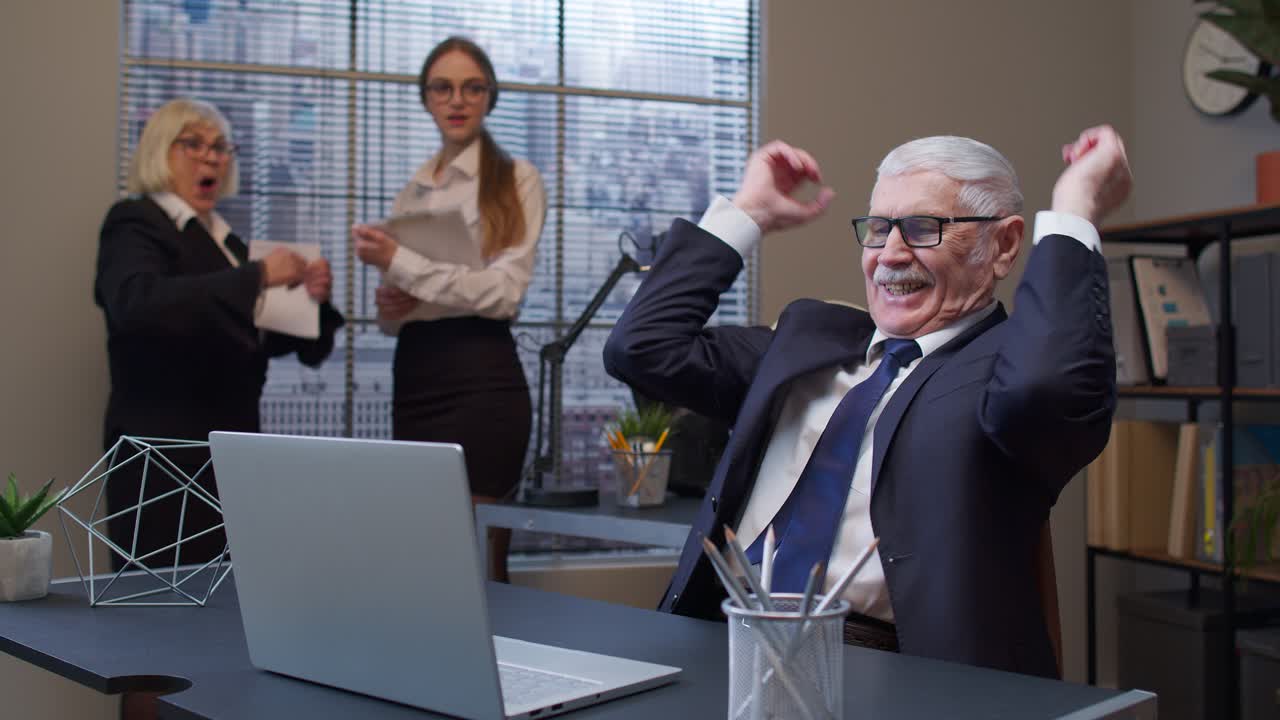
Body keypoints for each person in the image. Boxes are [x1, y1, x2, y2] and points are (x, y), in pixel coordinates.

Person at [603, 125, 1132, 678]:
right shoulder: (812, 340)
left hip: (885, 667)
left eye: (924, 229)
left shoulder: (1007, 372)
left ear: (1001, 245)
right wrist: (747, 212)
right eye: (878, 229)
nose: (890, 255)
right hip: (721, 639)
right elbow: (640, 350)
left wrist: (1075, 210)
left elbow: (1046, 388)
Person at [95, 98, 345, 572]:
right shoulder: (135, 221)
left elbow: (266, 336)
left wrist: (311, 299)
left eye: (220, 147)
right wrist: (256, 277)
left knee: (229, 609)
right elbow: (137, 303)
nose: (211, 157)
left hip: (229, 458)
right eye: (194, 144)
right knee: (158, 612)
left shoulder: (227, 242)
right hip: (163, 460)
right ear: (160, 150)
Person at [353, 37, 546, 582]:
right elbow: (396, 320)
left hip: (481, 379)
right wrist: (391, 302)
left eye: (472, 87)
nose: (457, 99)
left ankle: (504, 670)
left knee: (479, 570)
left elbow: (505, 293)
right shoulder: (413, 191)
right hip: (416, 374)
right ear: (426, 99)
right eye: (443, 87)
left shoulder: (516, 180)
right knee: (423, 568)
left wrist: (404, 265)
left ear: (490, 97)